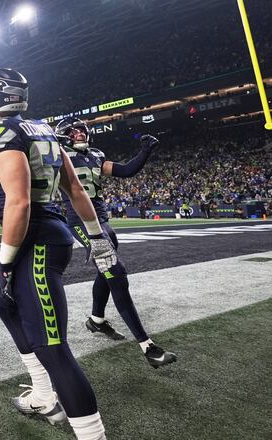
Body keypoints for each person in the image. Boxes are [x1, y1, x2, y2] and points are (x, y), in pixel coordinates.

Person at [0, 68, 114, 438]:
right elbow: (76, 191)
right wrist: (97, 238)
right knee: (2, 302)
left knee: (52, 347)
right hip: (50, 235)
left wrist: (4, 263)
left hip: (34, 240)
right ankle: (42, 394)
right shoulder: (46, 129)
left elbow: (18, 203)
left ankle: (91, 434)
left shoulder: (0, 133)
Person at [55, 117, 178, 370]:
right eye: (74, 131)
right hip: (81, 223)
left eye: (82, 130)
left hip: (103, 221)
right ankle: (147, 346)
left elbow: (124, 170)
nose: (80, 133)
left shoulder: (96, 155)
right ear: (64, 135)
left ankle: (97, 319)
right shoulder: (57, 155)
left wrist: (144, 151)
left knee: (107, 272)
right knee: (117, 274)